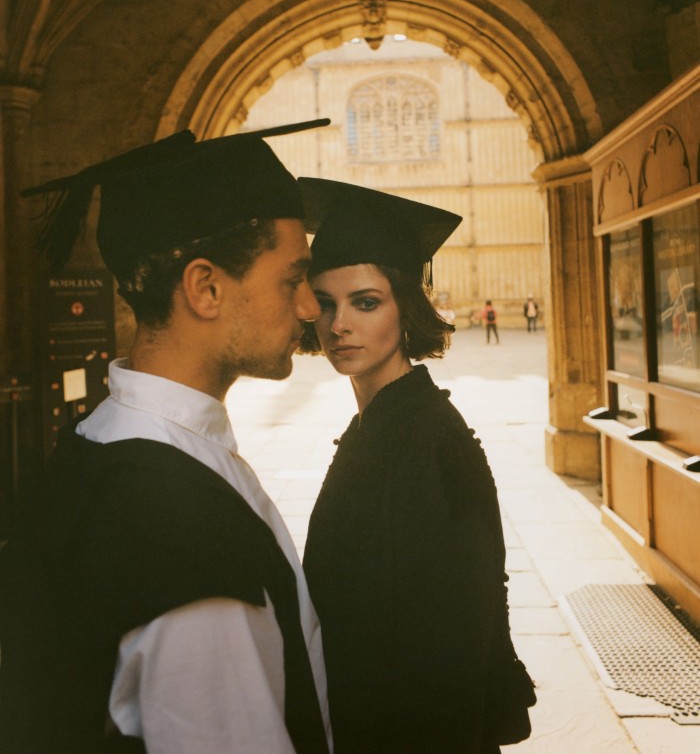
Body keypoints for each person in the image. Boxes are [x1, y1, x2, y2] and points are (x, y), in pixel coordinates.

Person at [0, 123, 333, 754]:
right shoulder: (180, 532)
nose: (312, 308)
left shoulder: (96, 443)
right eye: (293, 278)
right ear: (205, 289)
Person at [298, 179, 535, 754]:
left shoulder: (427, 441)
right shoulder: (381, 425)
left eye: (366, 302)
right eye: (326, 304)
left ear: (407, 307)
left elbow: (452, 644)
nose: (339, 325)